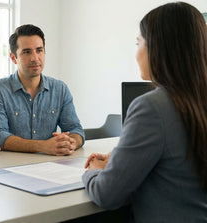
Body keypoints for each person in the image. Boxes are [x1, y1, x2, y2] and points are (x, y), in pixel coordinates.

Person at [82, 2, 207, 222]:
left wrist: (91, 171)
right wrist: (121, 159)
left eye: (138, 43)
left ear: (158, 48)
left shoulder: (151, 107)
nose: (136, 52)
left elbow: (106, 194)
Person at [0, 24, 84, 156]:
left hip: (52, 163)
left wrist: (70, 143)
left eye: (39, 50)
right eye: (27, 52)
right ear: (13, 58)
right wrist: (43, 146)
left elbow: (75, 129)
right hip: (11, 167)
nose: (35, 58)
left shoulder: (60, 89)